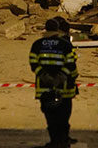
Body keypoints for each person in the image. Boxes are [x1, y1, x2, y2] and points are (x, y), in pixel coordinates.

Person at [29, 18, 78, 148]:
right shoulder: (65, 45)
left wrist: (45, 77)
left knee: (51, 118)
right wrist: (60, 78)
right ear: (57, 29)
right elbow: (71, 64)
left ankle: (54, 141)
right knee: (63, 117)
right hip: (64, 89)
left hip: (44, 89)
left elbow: (34, 64)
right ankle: (63, 141)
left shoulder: (37, 44)